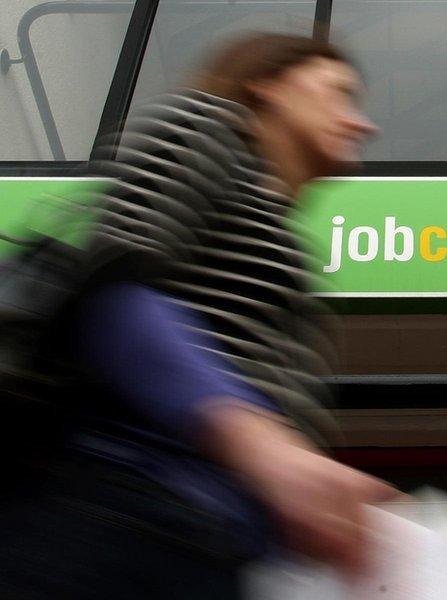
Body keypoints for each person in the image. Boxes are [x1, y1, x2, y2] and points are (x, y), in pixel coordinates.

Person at [0, 34, 396, 599]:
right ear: (269, 84)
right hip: (123, 506)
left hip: (208, 540)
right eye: (339, 93)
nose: (361, 123)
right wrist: (259, 446)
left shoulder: (277, 232)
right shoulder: (205, 126)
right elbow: (113, 289)